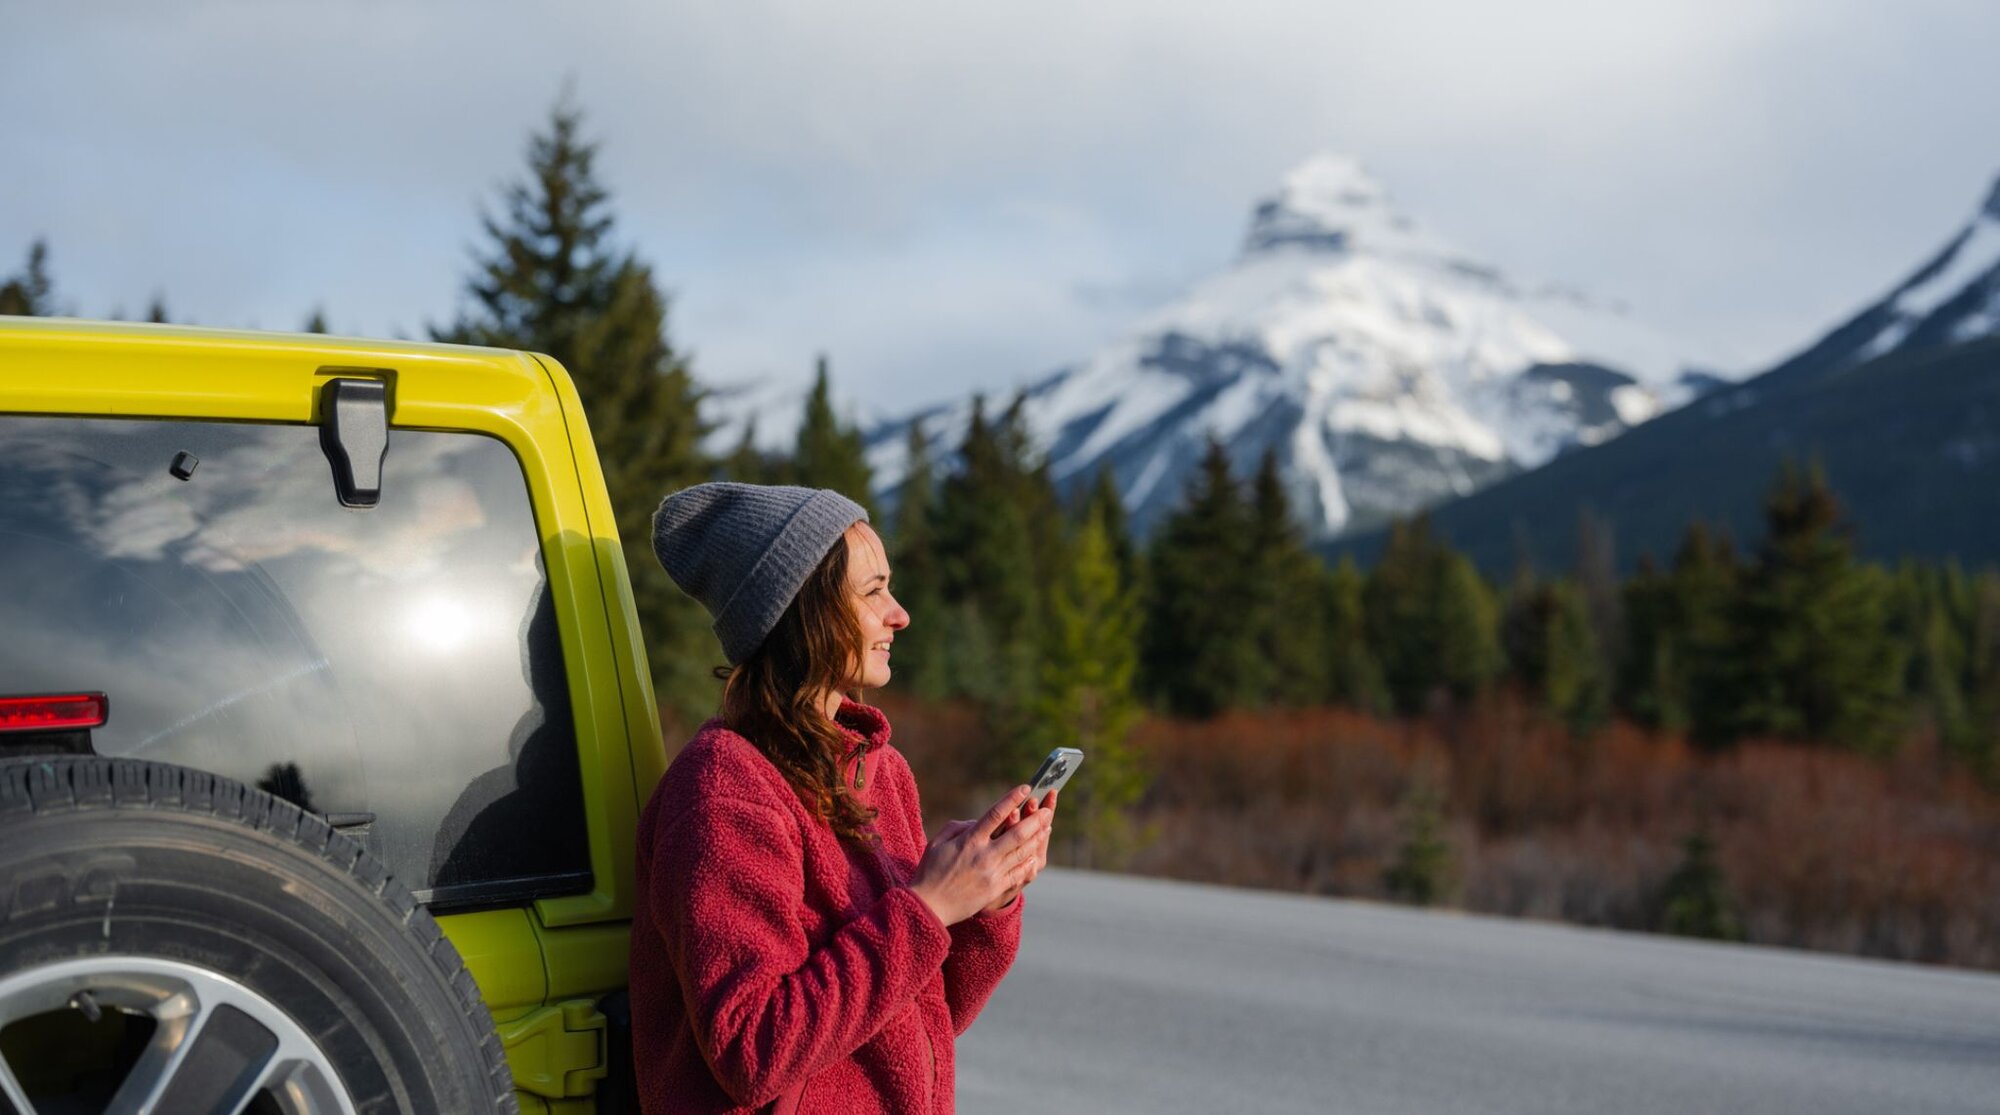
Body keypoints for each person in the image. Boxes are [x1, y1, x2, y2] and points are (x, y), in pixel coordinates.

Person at [630, 482, 1055, 1114]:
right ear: (803, 611)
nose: (899, 613)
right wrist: (928, 907)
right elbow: (751, 1049)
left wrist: (985, 898)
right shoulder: (723, 789)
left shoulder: (884, 774)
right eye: (873, 591)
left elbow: (923, 1023)